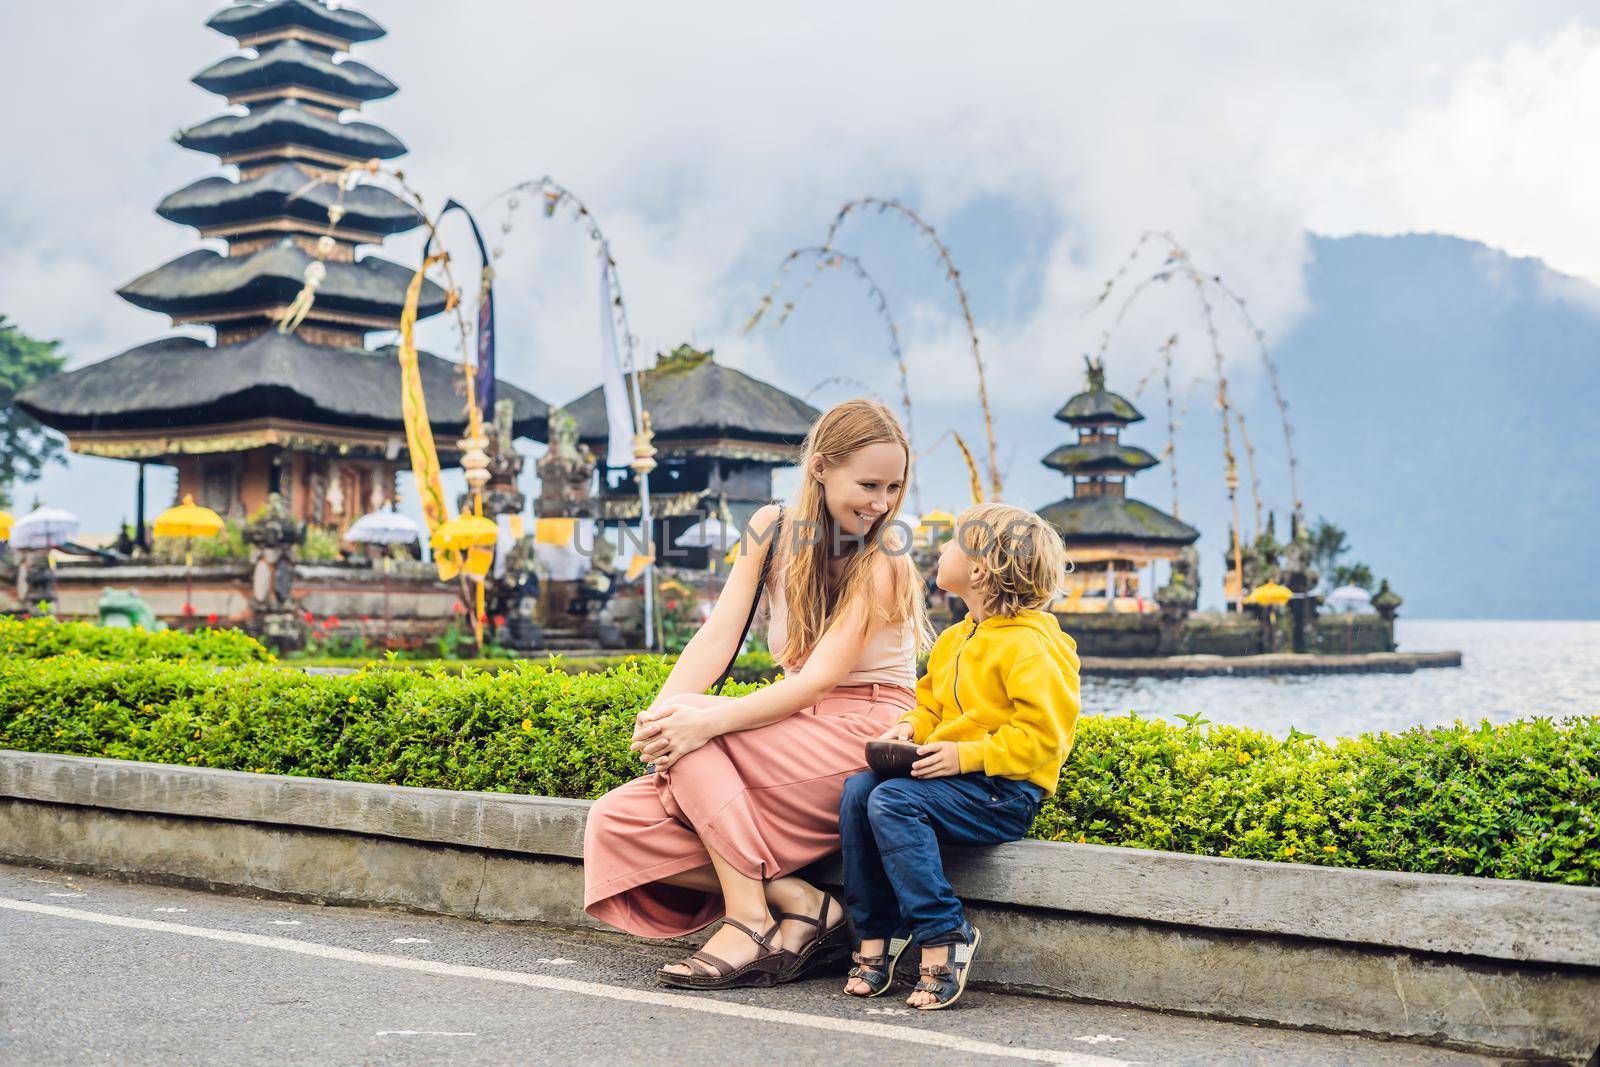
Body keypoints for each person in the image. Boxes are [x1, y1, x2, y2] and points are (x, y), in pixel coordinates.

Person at [582, 399, 933, 989]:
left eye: (894, 487)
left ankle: (749, 921)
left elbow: (819, 680)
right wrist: (661, 714)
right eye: (868, 484)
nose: (882, 504)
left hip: (863, 729)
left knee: (695, 729)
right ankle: (806, 905)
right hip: (795, 723)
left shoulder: (884, 562)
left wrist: (697, 722)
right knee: (615, 821)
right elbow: (718, 633)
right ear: (820, 467)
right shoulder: (769, 530)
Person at [838, 503, 1080, 1010]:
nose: (939, 551)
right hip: (958, 783)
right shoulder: (954, 638)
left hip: (1005, 792)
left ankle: (945, 933)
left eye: (951, 544)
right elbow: (930, 704)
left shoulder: (1032, 646)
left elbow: (1045, 740)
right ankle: (877, 931)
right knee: (860, 790)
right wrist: (911, 726)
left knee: (894, 802)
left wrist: (966, 756)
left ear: (979, 568)